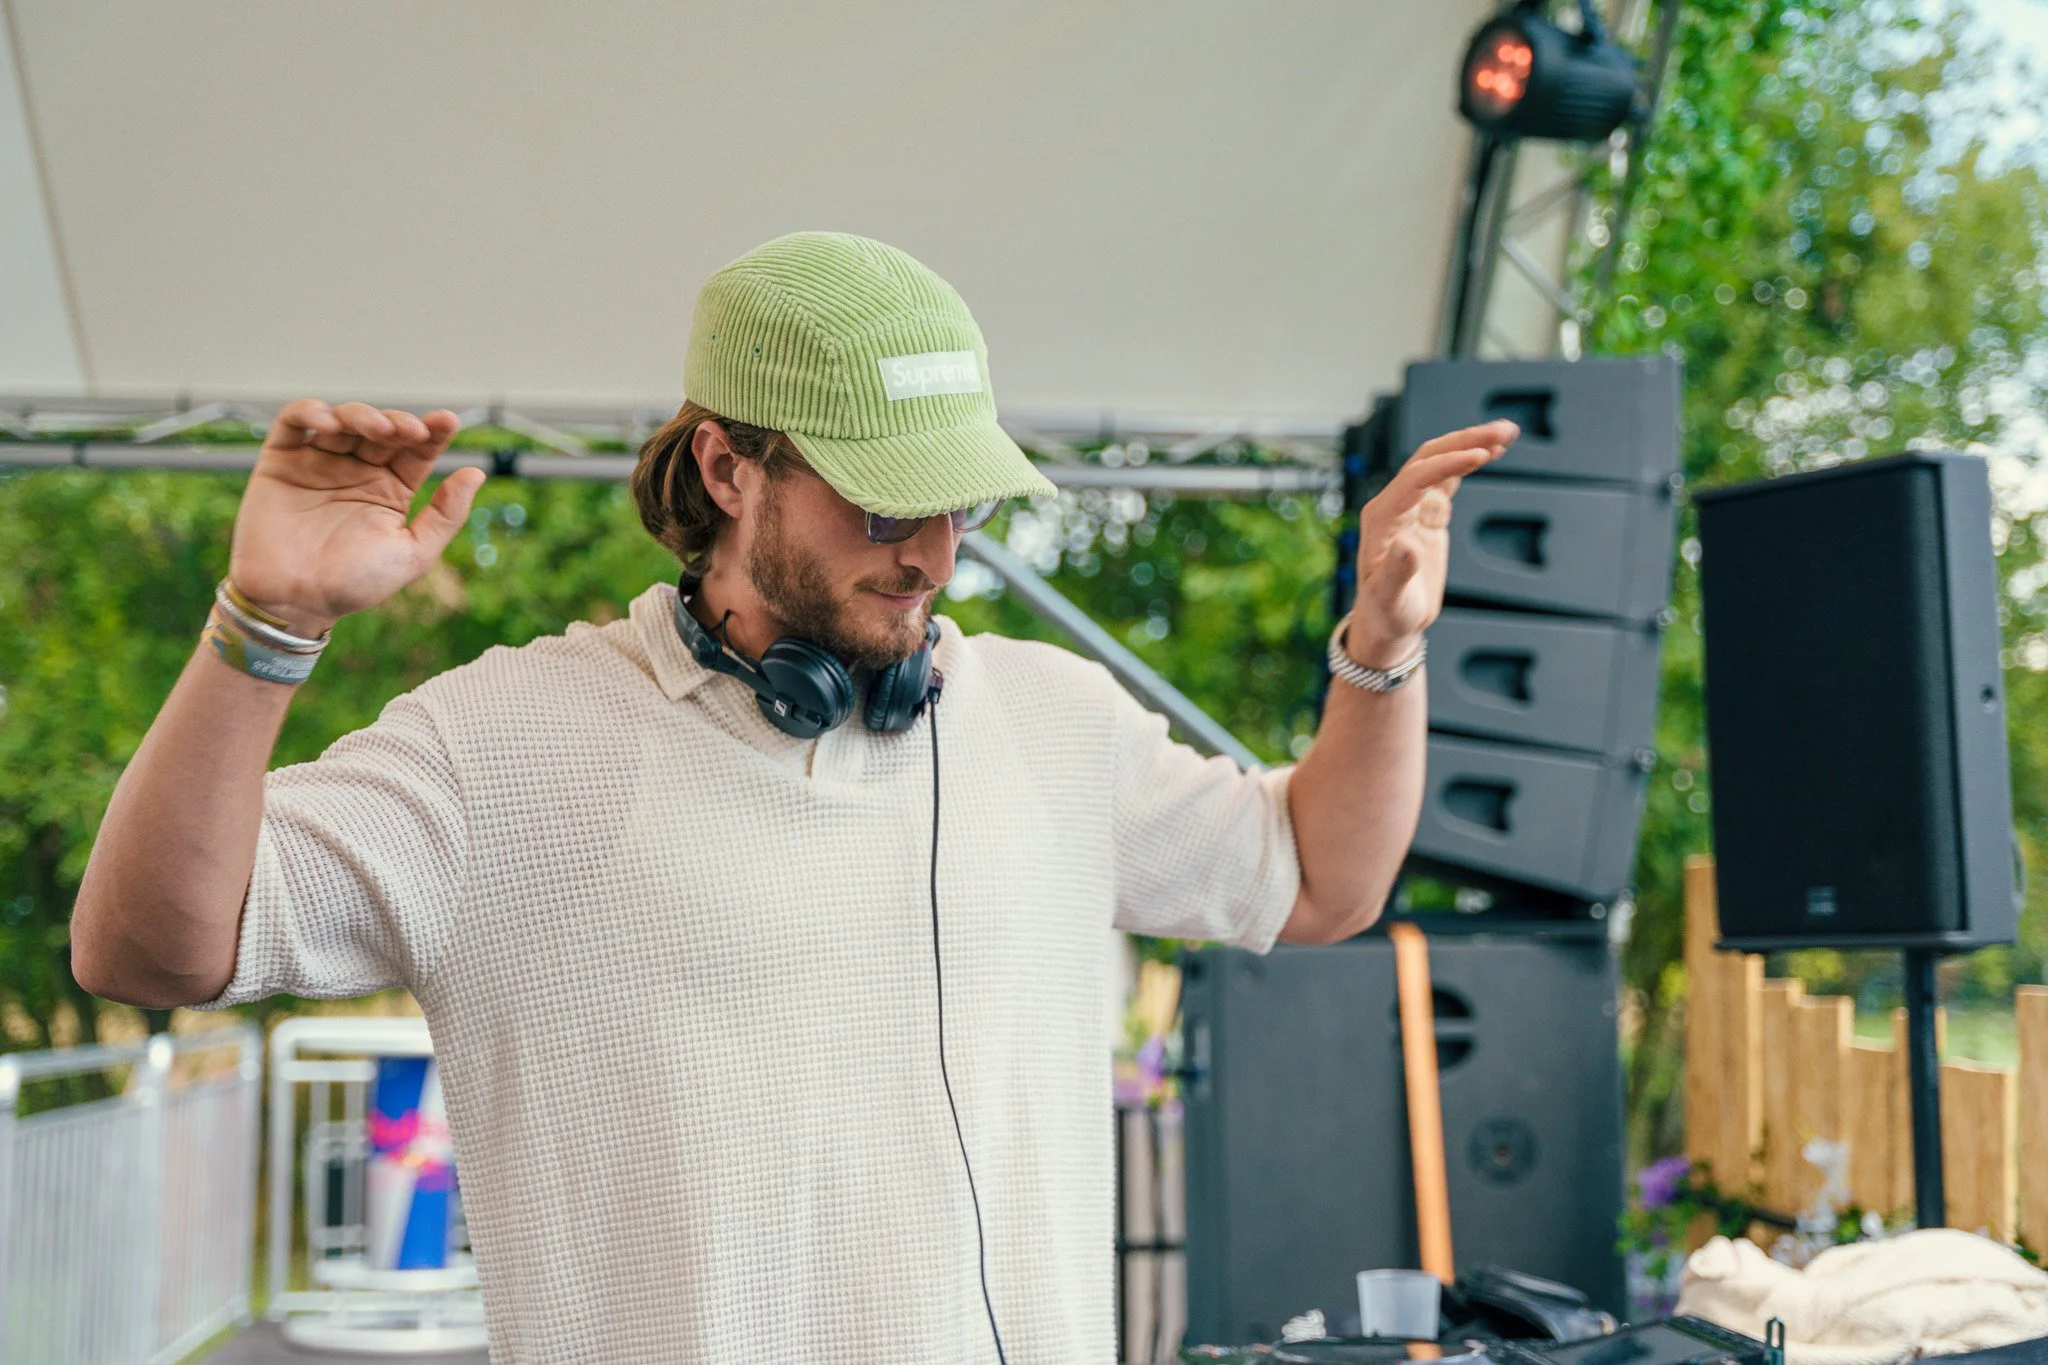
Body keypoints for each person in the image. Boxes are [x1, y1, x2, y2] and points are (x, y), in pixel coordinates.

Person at [70, 231, 1515, 1363]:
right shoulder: (504, 743)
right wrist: (268, 627)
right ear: (726, 466)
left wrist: (1383, 653)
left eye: (962, 506)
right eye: (884, 503)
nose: (934, 555)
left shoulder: (1054, 722)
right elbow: (145, 950)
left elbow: (1323, 882)